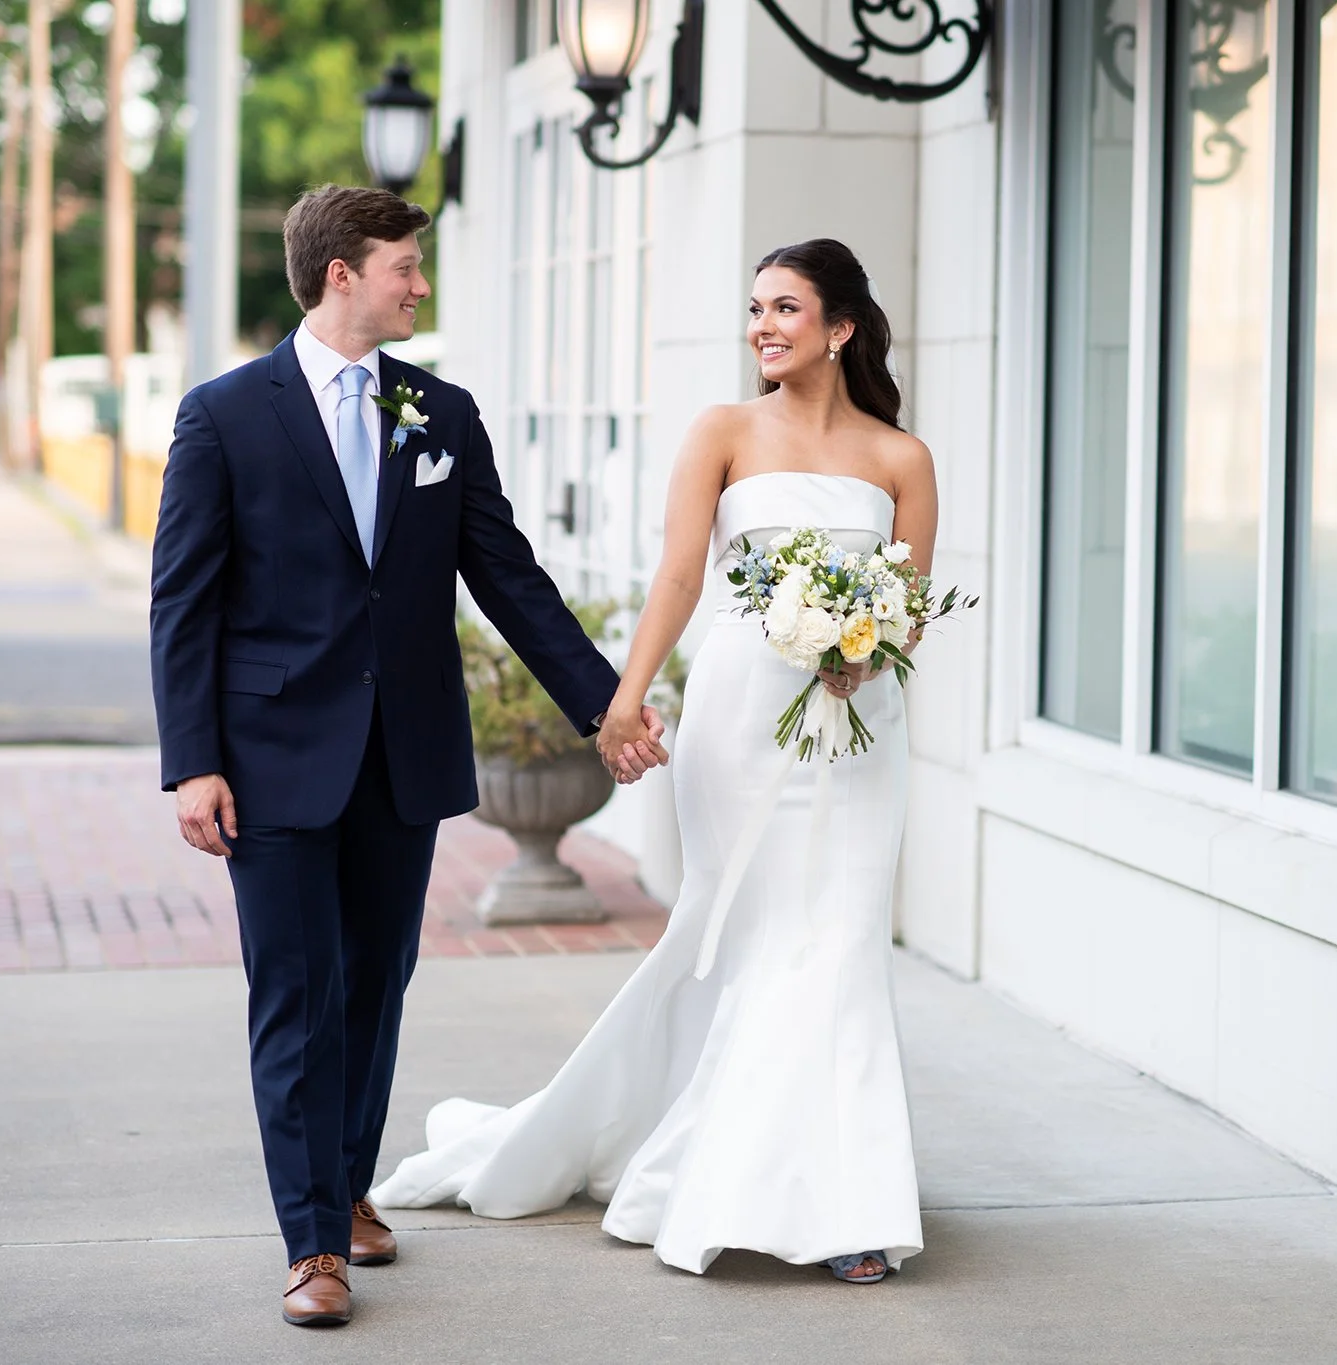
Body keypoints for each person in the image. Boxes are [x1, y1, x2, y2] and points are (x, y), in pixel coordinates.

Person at [149, 184, 667, 1328]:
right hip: (270, 755)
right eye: (402, 266)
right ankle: (310, 1245)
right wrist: (193, 761)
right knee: (295, 993)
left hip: (402, 753)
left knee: (375, 986)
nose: (417, 285)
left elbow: (507, 575)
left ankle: (344, 1187)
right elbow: (181, 604)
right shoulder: (223, 415)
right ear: (341, 272)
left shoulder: (441, 412)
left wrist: (605, 706)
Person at [374, 239, 938, 1287]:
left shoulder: (901, 459)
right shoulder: (721, 432)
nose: (763, 325)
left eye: (785, 308)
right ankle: (763, 1177)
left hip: (860, 728)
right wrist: (624, 695)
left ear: (841, 327)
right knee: (757, 934)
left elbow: (907, 610)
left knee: (842, 937)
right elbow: (680, 575)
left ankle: (845, 1198)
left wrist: (867, 653)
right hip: (739, 714)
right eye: (755, 308)